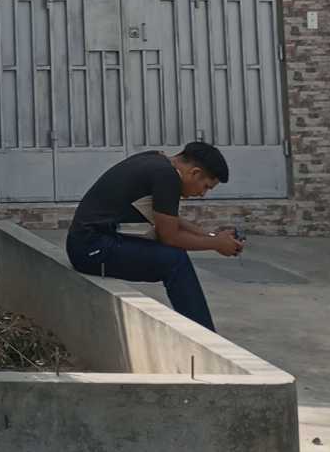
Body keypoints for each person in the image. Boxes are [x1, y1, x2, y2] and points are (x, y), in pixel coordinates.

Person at [65, 141, 242, 332]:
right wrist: (216, 244)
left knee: (172, 256)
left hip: (87, 244)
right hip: (91, 249)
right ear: (195, 173)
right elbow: (170, 237)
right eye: (205, 186)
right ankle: (204, 336)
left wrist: (212, 235)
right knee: (175, 261)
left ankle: (202, 332)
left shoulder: (156, 160)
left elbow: (169, 220)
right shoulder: (167, 177)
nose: (202, 194)